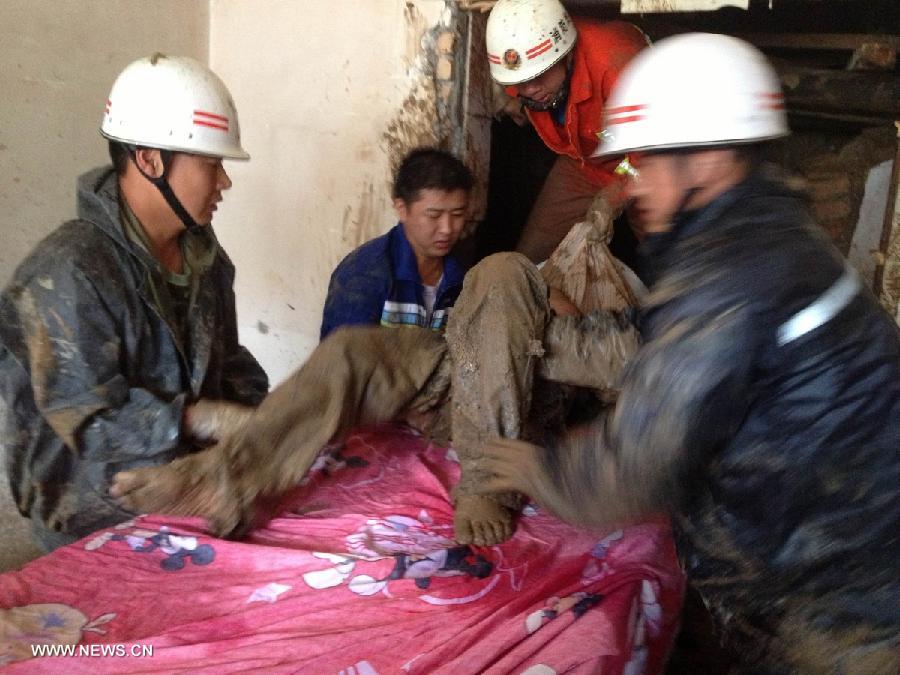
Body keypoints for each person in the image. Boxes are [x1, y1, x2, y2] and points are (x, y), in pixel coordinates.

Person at [480, 34, 900, 672]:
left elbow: (639, 460)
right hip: (831, 561)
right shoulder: (770, 236)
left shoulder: (732, 271)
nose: (632, 183)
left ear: (706, 160)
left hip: (843, 606)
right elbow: (658, 343)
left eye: (646, 161)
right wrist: (547, 341)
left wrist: (542, 471)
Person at [111, 237, 643, 547]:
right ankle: (230, 477)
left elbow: (632, 383)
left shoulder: (628, 327)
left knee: (505, 273)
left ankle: (486, 482)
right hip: (460, 366)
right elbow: (482, 327)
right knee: (352, 352)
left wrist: (553, 324)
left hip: (537, 399)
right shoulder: (498, 286)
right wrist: (511, 314)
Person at [0, 54, 268, 551]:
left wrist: (267, 419)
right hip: (89, 512)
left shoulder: (205, 259)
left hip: (188, 489)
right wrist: (195, 417)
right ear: (150, 160)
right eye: (212, 165)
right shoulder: (69, 271)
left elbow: (230, 365)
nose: (224, 183)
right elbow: (85, 419)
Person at [485, 0, 648, 263]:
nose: (529, 90)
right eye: (520, 83)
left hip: (641, 165)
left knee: (668, 253)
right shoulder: (529, 57)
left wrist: (614, 197)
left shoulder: (618, 64)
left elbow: (651, 159)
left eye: (537, 77)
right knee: (528, 260)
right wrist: (512, 97)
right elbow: (522, 77)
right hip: (585, 158)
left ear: (567, 54)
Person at [320, 148, 473, 339]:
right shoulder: (363, 273)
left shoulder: (466, 274)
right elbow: (343, 360)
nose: (447, 229)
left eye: (458, 215)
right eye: (434, 215)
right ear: (402, 209)